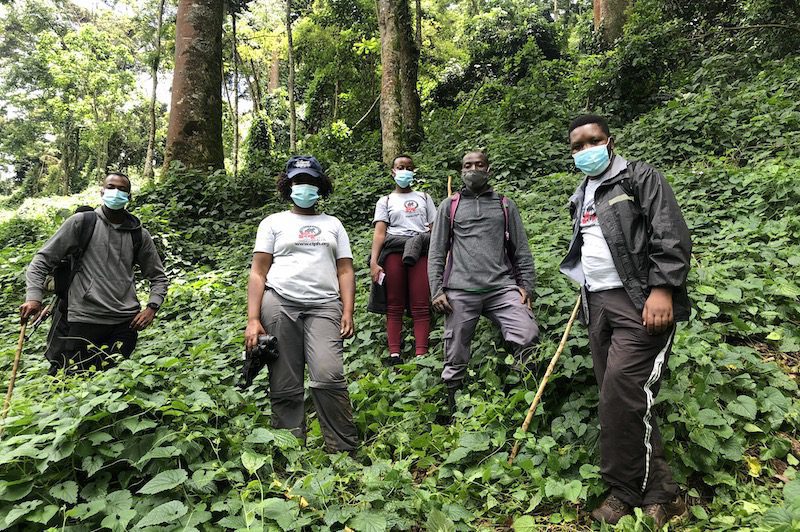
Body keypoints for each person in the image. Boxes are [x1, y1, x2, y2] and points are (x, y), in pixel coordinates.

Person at [559, 114, 692, 527]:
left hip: (639, 302)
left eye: (592, 141)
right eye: (577, 146)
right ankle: (660, 496)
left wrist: (662, 288)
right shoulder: (581, 193)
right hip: (597, 305)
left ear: (609, 141)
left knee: (621, 393)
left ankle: (625, 492)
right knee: (624, 400)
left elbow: (670, 234)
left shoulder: (640, 178)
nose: (585, 151)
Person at [245, 155, 358, 453]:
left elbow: (345, 270)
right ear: (288, 186)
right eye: (298, 182)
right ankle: (290, 450)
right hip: (280, 302)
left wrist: (348, 310)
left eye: (310, 182)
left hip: (324, 305)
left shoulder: (333, 224)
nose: (304, 187)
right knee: (284, 381)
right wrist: (253, 319)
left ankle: (342, 448)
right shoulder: (273, 223)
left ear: (320, 186)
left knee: (329, 374)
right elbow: (258, 272)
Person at [20, 172, 169, 374]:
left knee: (112, 383)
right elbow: (42, 260)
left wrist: (152, 308)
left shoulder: (138, 234)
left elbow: (158, 277)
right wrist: (34, 298)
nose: (116, 192)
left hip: (124, 323)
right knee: (71, 379)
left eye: (122, 189)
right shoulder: (81, 222)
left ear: (129, 197)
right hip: (83, 319)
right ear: (102, 191)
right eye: (111, 187)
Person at [427, 151, 539, 416]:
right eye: (468, 165)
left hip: (501, 288)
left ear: (488, 169)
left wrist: (527, 286)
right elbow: (436, 252)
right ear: (461, 170)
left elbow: (520, 248)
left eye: (479, 165)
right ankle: (454, 408)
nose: (473, 169)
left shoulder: (504, 205)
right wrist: (436, 290)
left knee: (527, 334)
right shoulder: (449, 206)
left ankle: (524, 398)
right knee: (455, 352)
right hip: (460, 291)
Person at [368, 154, 437, 364]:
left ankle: (421, 354)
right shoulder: (386, 201)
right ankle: (395, 353)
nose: (404, 170)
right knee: (394, 303)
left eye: (408, 167)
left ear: (413, 171)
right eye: (400, 167)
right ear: (393, 171)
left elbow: (435, 230)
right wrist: (374, 261)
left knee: (421, 303)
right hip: (394, 252)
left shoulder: (424, 198)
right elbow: (380, 233)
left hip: (421, 252)